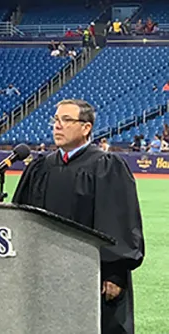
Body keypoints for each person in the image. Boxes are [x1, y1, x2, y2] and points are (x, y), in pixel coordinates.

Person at [12, 99, 145, 334]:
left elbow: (118, 220)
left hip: (92, 275)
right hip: (46, 272)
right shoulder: (41, 167)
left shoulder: (105, 166)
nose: (57, 126)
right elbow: (23, 216)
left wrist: (115, 273)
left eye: (66, 120)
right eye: (56, 120)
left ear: (86, 128)